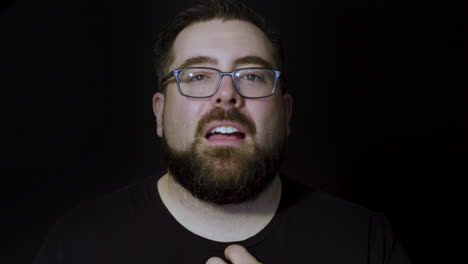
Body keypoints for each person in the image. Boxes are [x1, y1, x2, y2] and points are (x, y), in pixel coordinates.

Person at [34, 0, 412, 263]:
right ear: (160, 114)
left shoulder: (363, 240)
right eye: (197, 77)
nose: (226, 95)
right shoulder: (80, 242)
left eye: (251, 75)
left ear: (286, 112)